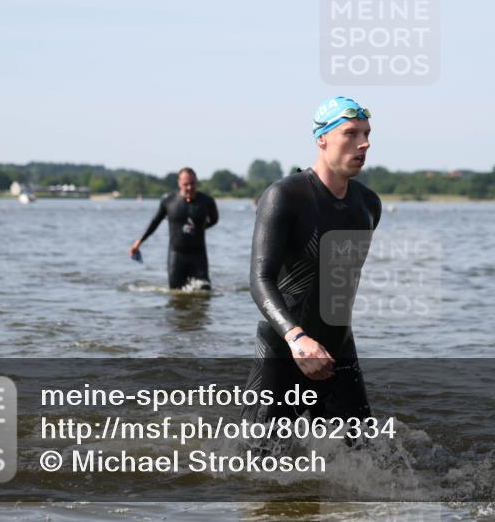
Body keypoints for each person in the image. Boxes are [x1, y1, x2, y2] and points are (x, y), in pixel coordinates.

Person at [243, 96, 381, 425]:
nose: (364, 143)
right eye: (351, 133)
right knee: (256, 465)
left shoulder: (368, 205)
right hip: (285, 350)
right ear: (322, 138)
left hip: (340, 351)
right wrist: (297, 338)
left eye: (367, 133)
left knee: (364, 457)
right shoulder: (285, 196)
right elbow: (260, 280)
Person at [129, 168, 219, 289]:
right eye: (185, 184)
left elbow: (214, 220)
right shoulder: (169, 200)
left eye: (192, 183)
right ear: (179, 183)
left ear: (197, 182)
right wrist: (139, 241)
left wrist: (199, 228)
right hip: (176, 256)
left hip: (199, 256)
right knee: (176, 294)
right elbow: (154, 222)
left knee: (203, 291)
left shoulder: (207, 201)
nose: (189, 187)